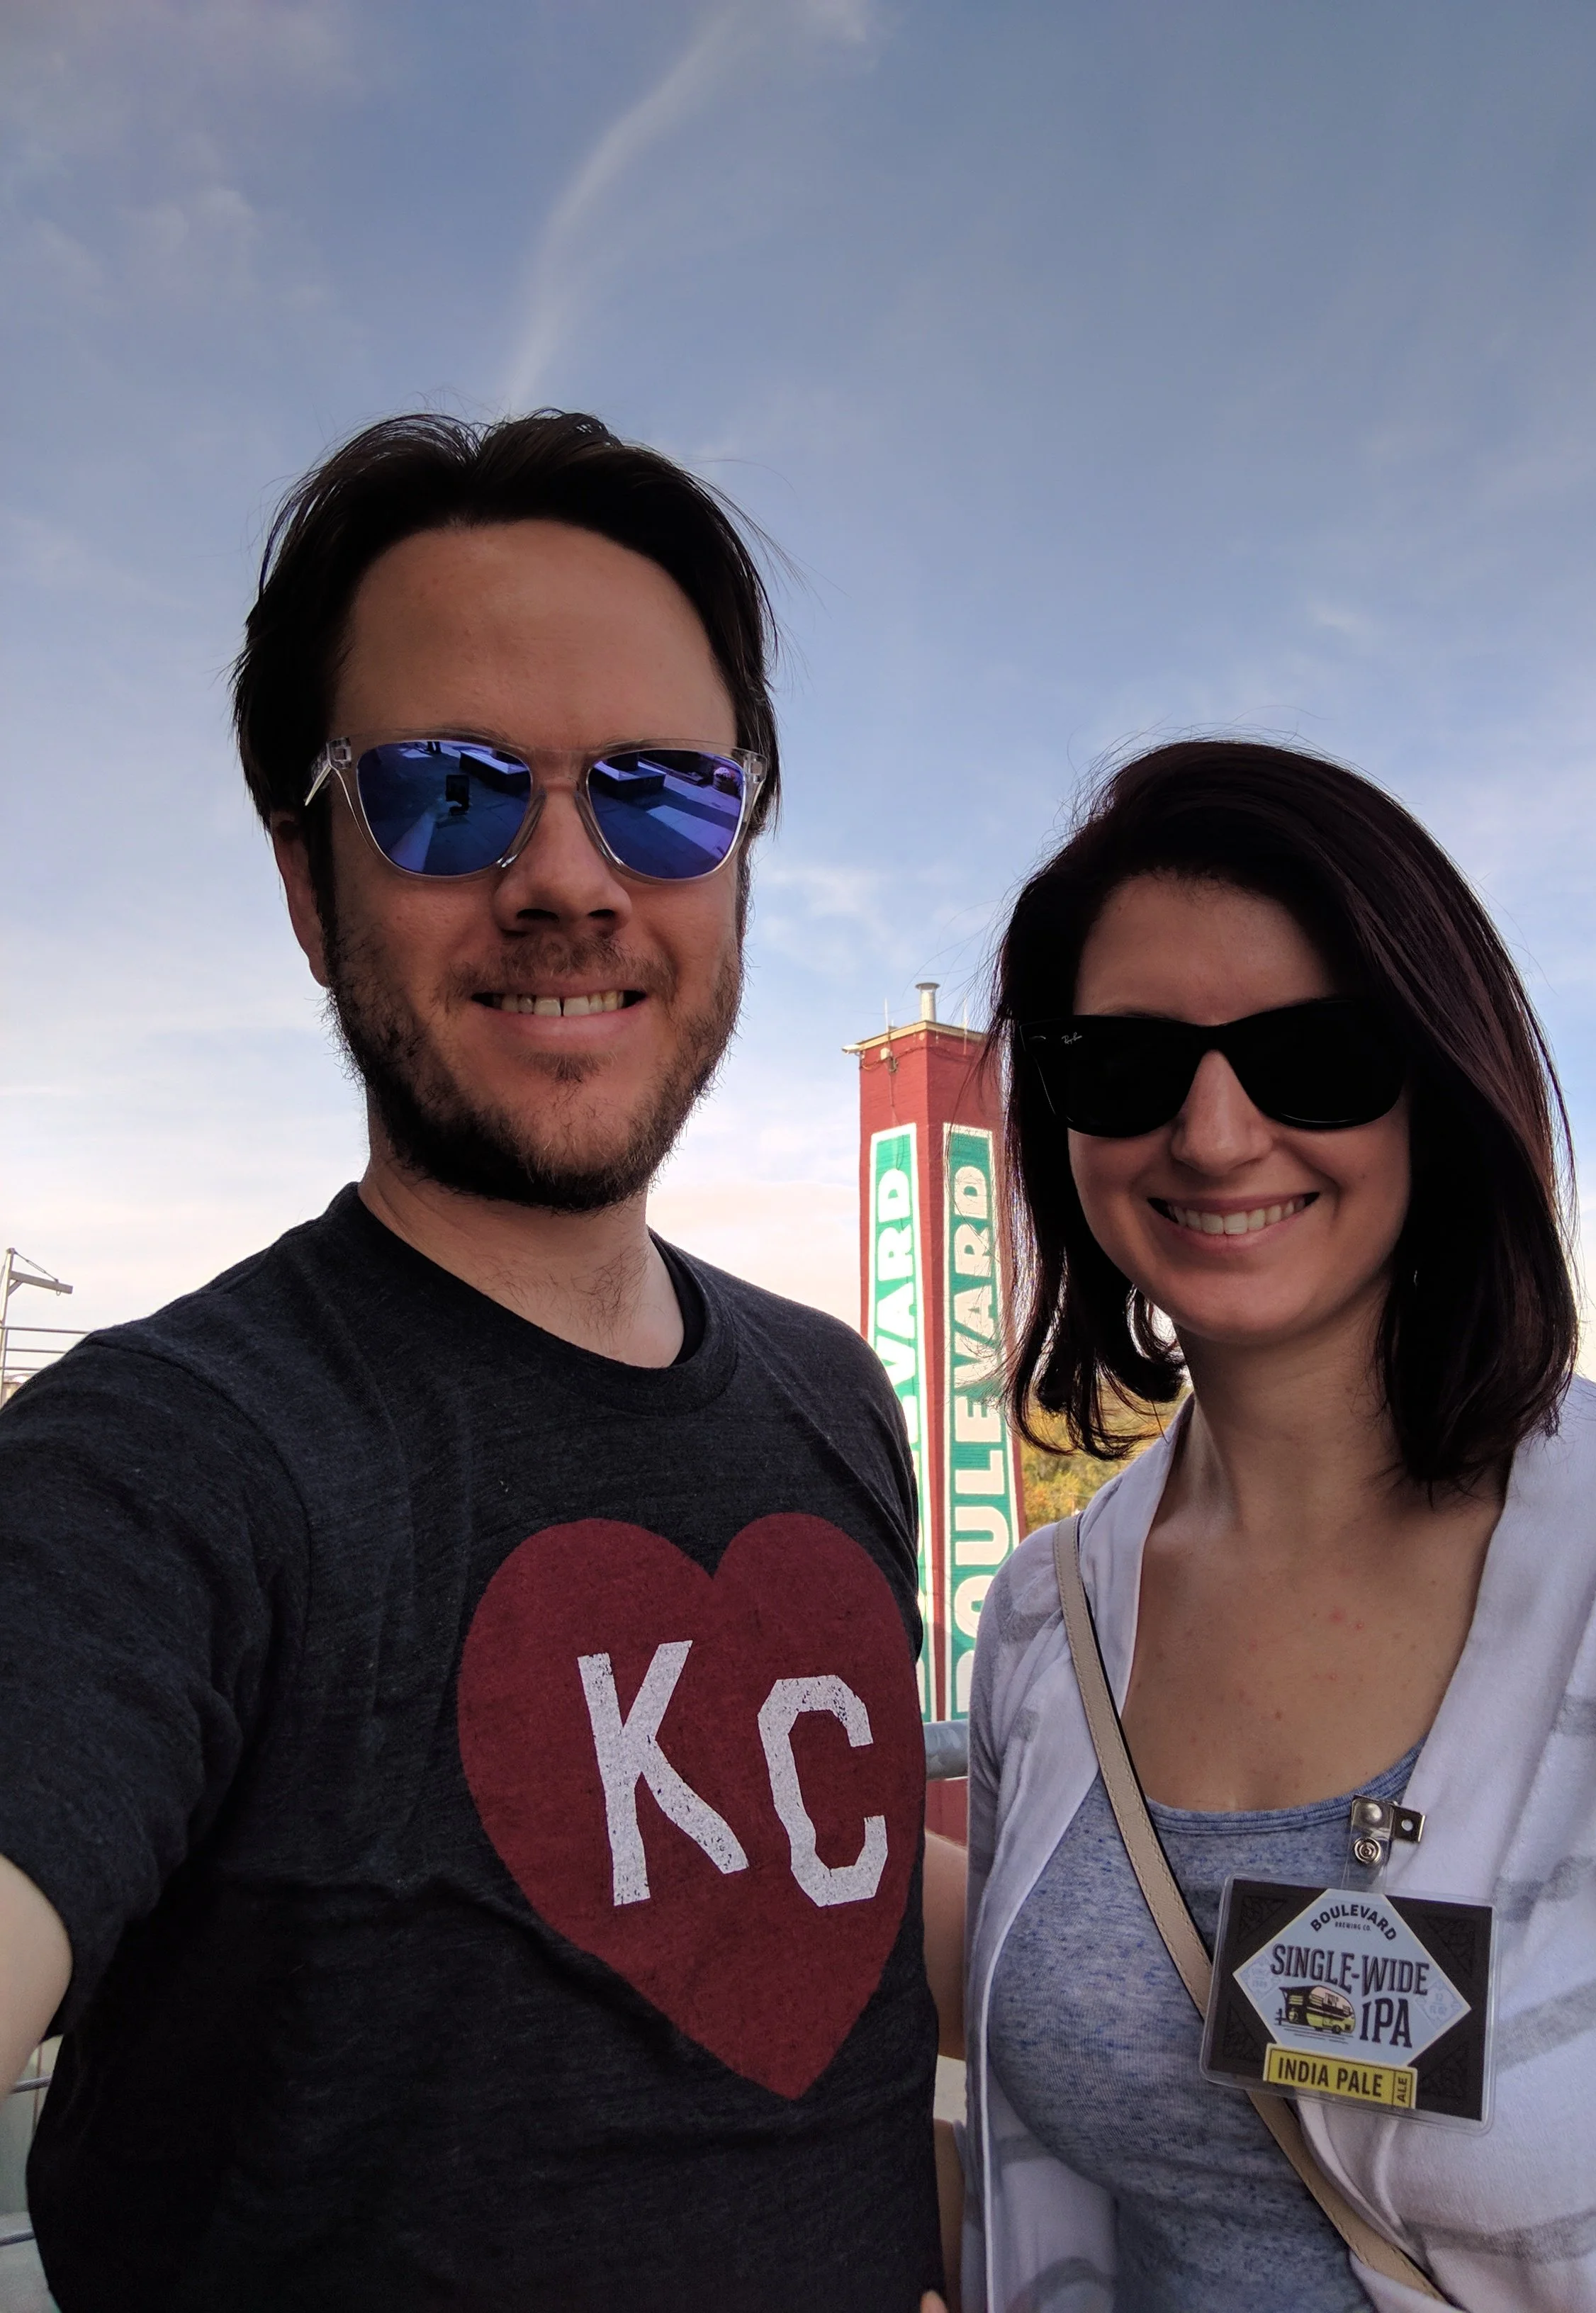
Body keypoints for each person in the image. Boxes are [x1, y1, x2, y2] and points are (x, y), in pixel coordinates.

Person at [0, 411, 949, 2312]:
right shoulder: (158, 1461)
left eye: (663, 794)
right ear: (305, 888)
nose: (569, 878)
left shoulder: (836, 1399)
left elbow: (824, 1909)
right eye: (449, 794)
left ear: (741, 856)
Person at [950, 740, 1596, 2310]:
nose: (1218, 1133)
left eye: (1313, 1056)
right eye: (1126, 1063)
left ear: (1438, 1088)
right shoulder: (1047, 1622)